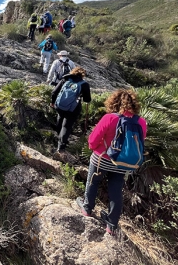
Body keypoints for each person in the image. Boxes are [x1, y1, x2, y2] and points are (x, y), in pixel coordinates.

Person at [76, 89, 147, 235]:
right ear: (134, 104)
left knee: (93, 182)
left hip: (102, 159)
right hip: (123, 163)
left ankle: (87, 208)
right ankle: (112, 224)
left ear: (114, 101)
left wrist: (95, 148)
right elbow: (140, 142)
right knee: (116, 191)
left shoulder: (110, 118)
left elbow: (93, 140)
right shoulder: (141, 122)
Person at [50, 67, 91, 152]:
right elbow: (87, 99)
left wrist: (53, 102)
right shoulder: (84, 84)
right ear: (82, 75)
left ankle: (58, 138)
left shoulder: (65, 79)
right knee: (66, 126)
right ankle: (61, 147)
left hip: (60, 106)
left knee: (60, 120)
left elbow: (54, 92)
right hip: (73, 109)